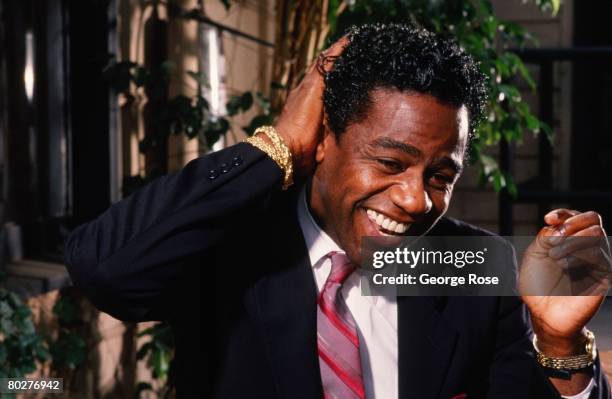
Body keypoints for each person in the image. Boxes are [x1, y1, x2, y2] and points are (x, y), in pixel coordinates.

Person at [65, 24, 611, 398]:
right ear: (322, 138)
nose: (416, 199)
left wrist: (559, 342)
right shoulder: (232, 246)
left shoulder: (469, 262)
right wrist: (276, 145)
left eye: (441, 175)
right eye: (390, 162)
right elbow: (105, 270)